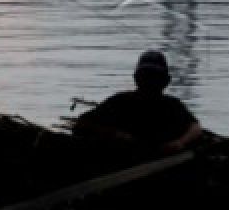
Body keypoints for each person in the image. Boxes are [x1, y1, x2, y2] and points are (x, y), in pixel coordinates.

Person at [73, 50, 203, 154]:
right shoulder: (121, 101)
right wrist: (115, 134)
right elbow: (82, 124)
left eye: (154, 77)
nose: (149, 81)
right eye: (146, 76)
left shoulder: (172, 105)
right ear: (137, 79)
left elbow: (195, 127)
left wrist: (180, 142)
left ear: (165, 81)